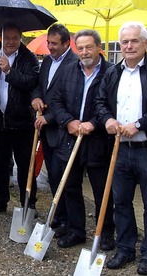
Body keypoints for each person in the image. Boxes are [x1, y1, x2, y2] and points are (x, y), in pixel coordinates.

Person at [94, 22, 147, 275]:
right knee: (121, 203)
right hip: (119, 149)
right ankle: (125, 248)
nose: (128, 46)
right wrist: (107, 119)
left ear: (145, 44)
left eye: (134, 41)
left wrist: (140, 124)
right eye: (125, 42)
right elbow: (100, 101)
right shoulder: (113, 73)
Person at [49, 29, 116, 250]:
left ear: (99, 48)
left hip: (98, 141)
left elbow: (113, 106)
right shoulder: (68, 71)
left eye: (89, 47)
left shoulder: (112, 73)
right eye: (81, 48)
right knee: (70, 186)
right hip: (70, 138)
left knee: (101, 189)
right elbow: (56, 102)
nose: (85, 52)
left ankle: (105, 232)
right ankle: (76, 230)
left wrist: (94, 123)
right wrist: (68, 122)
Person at [0, 23, 39, 214]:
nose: (11, 42)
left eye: (15, 38)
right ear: (1, 37)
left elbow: (30, 83)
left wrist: (9, 72)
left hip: (22, 120)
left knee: (25, 165)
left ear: (20, 37)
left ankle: (28, 202)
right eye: (8, 38)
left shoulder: (29, 58)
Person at [30, 23, 78, 231]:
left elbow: (71, 100)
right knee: (52, 175)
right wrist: (36, 98)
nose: (50, 47)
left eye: (55, 43)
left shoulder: (74, 64)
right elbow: (39, 85)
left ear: (67, 43)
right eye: (49, 42)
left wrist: (49, 117)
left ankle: (69, 221)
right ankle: (58, 216)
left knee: (64, 178)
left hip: (63, 129)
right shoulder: (48, 61)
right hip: (47, 132)